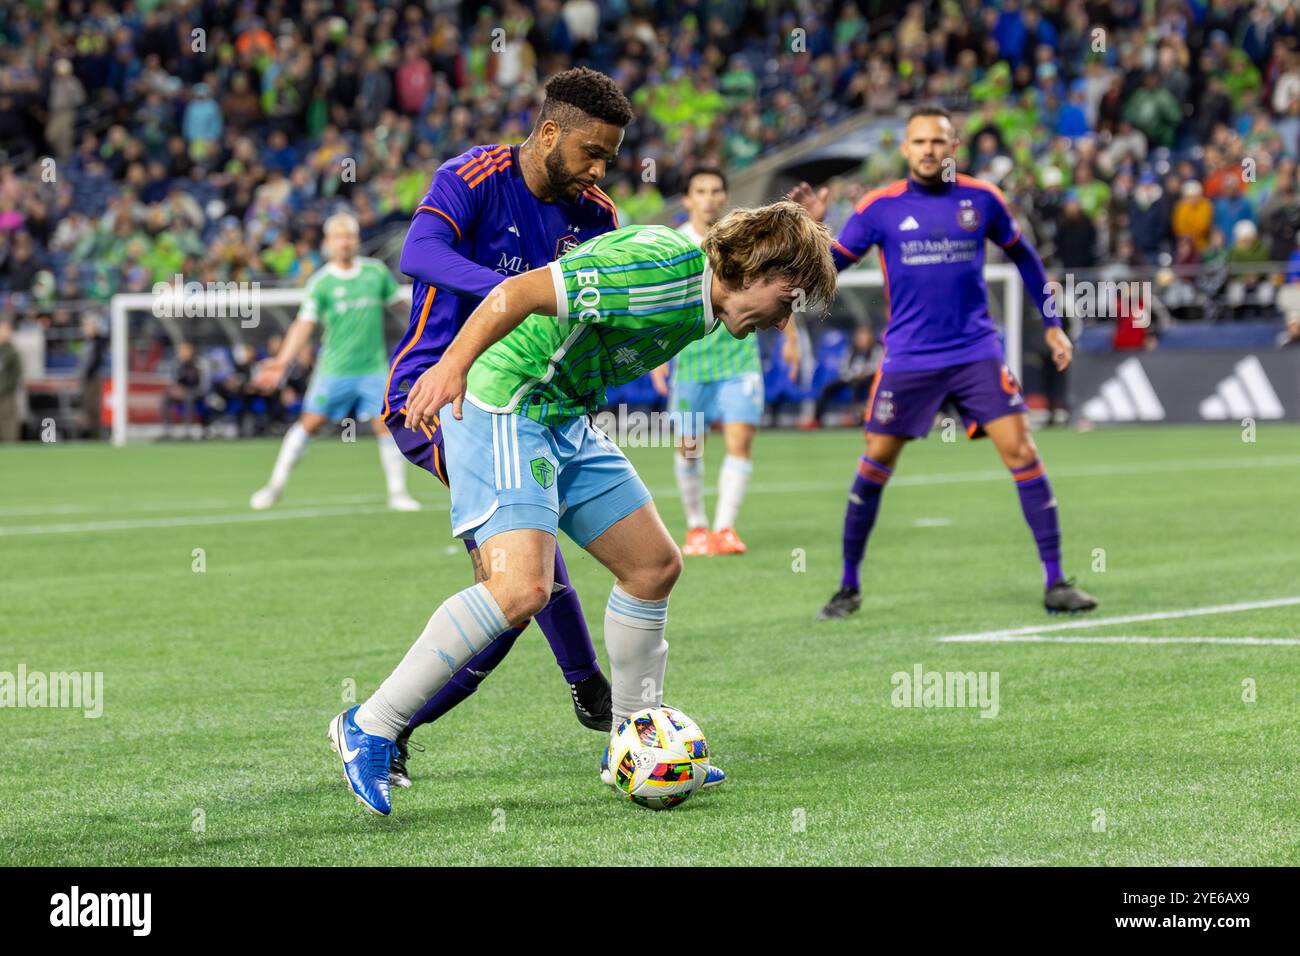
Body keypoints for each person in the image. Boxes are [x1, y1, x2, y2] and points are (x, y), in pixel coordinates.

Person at [330, 201, 838, 815]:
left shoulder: (706, 301)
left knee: (653, 566)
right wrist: (451, 367)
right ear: (757, 269)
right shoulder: (660, 271)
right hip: (506, 404)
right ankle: (371, 724)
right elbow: (517, 292)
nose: (784, 322)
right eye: (788, 301)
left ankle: (631, 742)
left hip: (561, 414)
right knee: (520, 589)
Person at [374, 68, 632, 787]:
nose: (599, 170)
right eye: (591, 153)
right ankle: (385, 728)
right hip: (438, 400)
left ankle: (587, 689)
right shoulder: (473, 175)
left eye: (609, 157)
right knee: (514, 584)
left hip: (532, 406)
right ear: (549, 134)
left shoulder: (598, 218)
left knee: (519, 581)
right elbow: (417, 256)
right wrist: (517, 295)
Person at [790, 106, 1097, 621]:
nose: (929, 150)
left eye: (939, 141)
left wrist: (1051, 321)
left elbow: (1025, 256)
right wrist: (812, 230)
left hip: (975, 352)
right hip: (908, 358)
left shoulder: (983, 199)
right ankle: (847, 585)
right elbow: (831, 265)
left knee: (1022, 451)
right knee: (875, 464)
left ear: (954, 147)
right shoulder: (879, 207)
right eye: (919, 142)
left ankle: (1056, 580)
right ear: (906, 149)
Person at [650, 167, 801, 556]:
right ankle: (697, 527)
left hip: (739, 357)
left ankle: (725, 528)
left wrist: (791, 338)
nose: (709, 198)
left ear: (725, 195)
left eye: (716, 190)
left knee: (741, 440)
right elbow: (661, 302)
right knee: (690, 446)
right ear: (687, 199)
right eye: (700, 190)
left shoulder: (745, 244)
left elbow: (775, 289)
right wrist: (655, 356)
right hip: (690, 358)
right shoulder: (677, 245)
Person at [250, 212, 420, 512]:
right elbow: (303, 325)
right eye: (339, 237)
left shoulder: (375, 273)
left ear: (356, 240)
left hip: (373, 368)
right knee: (310, 423)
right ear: (328, 243)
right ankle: (274, 486)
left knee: (385, 424)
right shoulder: (321, 283)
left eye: (350, 236)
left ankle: (398, 493)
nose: (345, 243)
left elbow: (400, 307)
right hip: (334, 370)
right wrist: (281, 361)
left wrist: (429, 330)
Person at [0, 320, 21, 442]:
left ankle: (10, 445)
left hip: (7, 393)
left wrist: (7, 387)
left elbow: (16, 373)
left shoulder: (12, 352)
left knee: (8, 420)